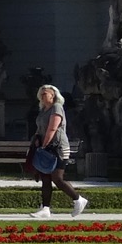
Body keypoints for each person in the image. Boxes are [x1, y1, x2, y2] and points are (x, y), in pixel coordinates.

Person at [30, 84, 89, 218]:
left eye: (46, 93)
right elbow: (40, 129)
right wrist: (37, 142)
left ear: (53, 95)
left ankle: (78, 199)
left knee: (57, 178)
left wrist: (44, 145)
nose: (43, 96)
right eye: (41, 93)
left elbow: (53, 128)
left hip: (58, 148)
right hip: (45, 148)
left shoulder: (57, 107)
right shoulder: (43, 110)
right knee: (45, 178)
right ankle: (45, 208)